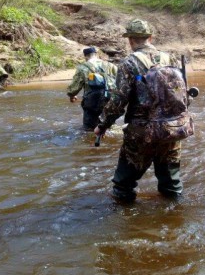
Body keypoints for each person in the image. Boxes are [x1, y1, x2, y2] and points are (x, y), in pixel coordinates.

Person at [94, 19, 186, 202]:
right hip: (172, 128)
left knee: (123, 185)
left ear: (130, 40)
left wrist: (102, 125)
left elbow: (118, 101)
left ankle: (124, 222)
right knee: (171, 185)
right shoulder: (171, 58)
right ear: (150, 37)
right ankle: (174, 219)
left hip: (142, 131)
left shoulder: (129, 63)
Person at [67, 46, 117, 130]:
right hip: (109, 99)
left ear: (86, 56)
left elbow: (74, 87)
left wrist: (72, 95)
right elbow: (120, 79)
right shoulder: (110, 65)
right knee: (110, 126)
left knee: (89, 128)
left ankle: (90, 141)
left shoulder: (82, 68)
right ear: (96, 54)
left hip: (92, 101)